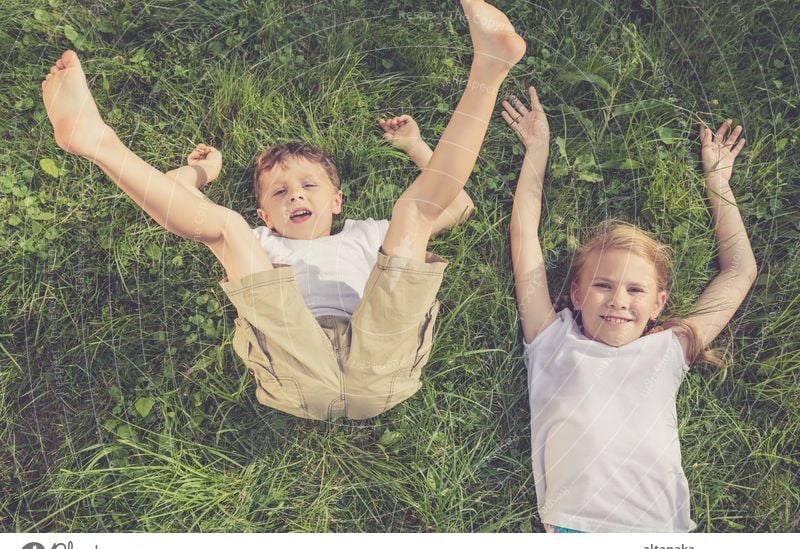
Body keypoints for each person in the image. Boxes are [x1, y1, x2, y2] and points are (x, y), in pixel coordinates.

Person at [40, 0, 525, 420]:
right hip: (300, 371)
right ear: (265, 216)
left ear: (337, 202)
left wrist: (417, 145)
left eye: (309, 186)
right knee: (225, 228)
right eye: (279, 193)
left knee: (411, 215)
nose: (295, 196)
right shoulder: (259, 242)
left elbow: (456, 206)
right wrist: (196, 177)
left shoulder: (368, 233)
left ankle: (489, 70)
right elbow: (176, 201)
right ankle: (97, 142)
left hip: (380, 362)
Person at [502, 86, 757, 532]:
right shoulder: (550, 340)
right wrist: (537, 147)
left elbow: (739, 273)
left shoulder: (667, 349)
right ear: (577, 296)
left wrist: (718, 181)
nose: (619, 300)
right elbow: (524, 234)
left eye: (636, 291)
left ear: (659, 305)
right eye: (603, 285)